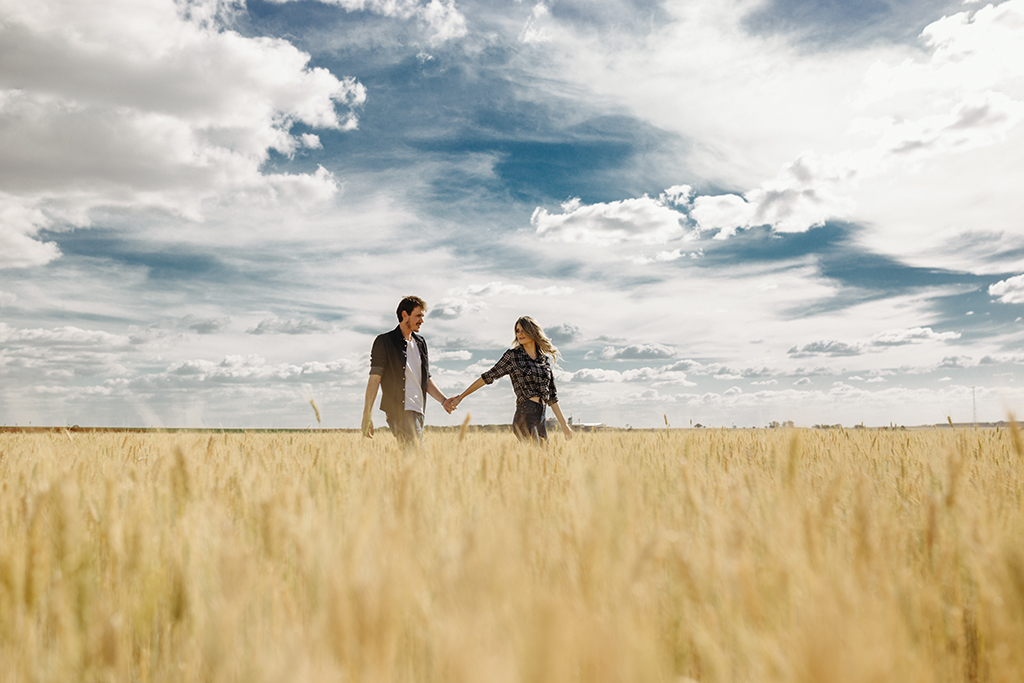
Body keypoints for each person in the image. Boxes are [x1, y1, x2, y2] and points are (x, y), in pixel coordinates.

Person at [445, 316, 573, 442]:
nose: (520, 334)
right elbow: (488, 377)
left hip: (542, 416)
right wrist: (461, 396)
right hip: (525, 414)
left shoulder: (544, 360)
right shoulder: (513, 356)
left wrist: (563, 424)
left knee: (545, 460)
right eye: (517, 331)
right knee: (535, 455)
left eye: (523, 330)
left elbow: (552, 396)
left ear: (533, 332)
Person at [362, 295, 452, 446]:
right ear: (404, 315)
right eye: (418, 316)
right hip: (399, 410)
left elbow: (425, 378)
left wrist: (443, 400)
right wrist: (367, 415)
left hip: (419, 410)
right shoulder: (384, 341)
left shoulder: (421, 342)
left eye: (422, 316)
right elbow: (374, 379)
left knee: (410, 460)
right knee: (418, 454)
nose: (422, 321)